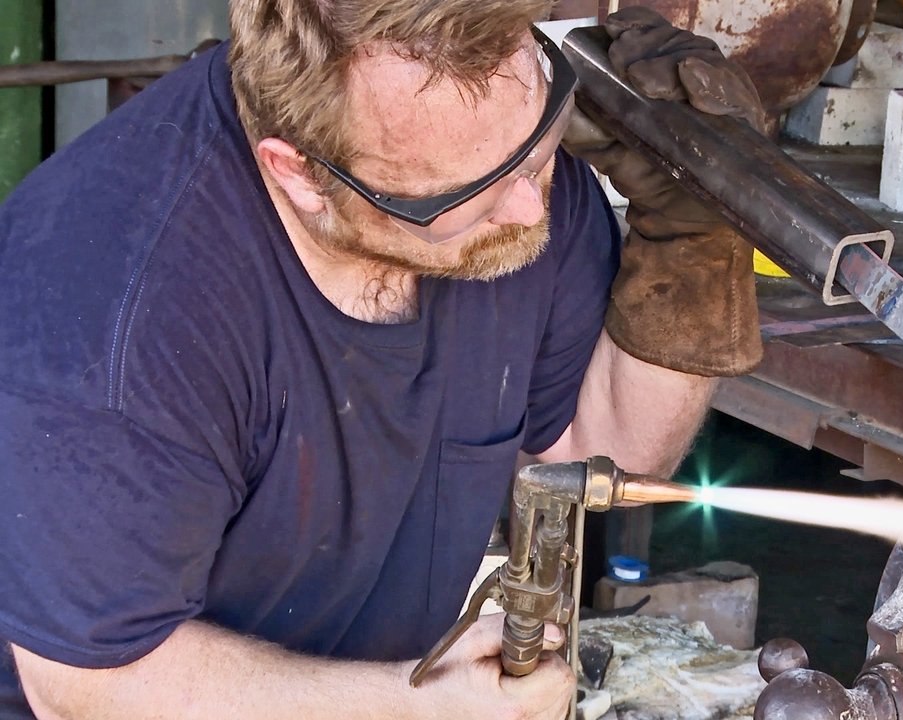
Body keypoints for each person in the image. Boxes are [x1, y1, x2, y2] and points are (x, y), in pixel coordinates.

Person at [0, 1, 764, 718]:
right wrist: (416, 705)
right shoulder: (122, 316)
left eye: (534, 151)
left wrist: (697, 239)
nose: (530, 208)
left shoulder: (509, 173)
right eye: (468, 195)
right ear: (300, 173)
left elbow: (598, 459)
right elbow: (89, 684)